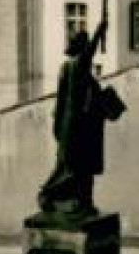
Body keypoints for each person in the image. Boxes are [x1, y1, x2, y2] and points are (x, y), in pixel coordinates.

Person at [36, 18, 125, 220]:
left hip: (82, 128)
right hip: (76, 128)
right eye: (84, 46)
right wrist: (99, 31)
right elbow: (88, 55)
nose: (87, 50)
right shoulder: (76, 67)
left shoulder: (73, 70)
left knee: (82, 169)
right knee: (72, 167)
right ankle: (50, 194)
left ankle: (84, 202)